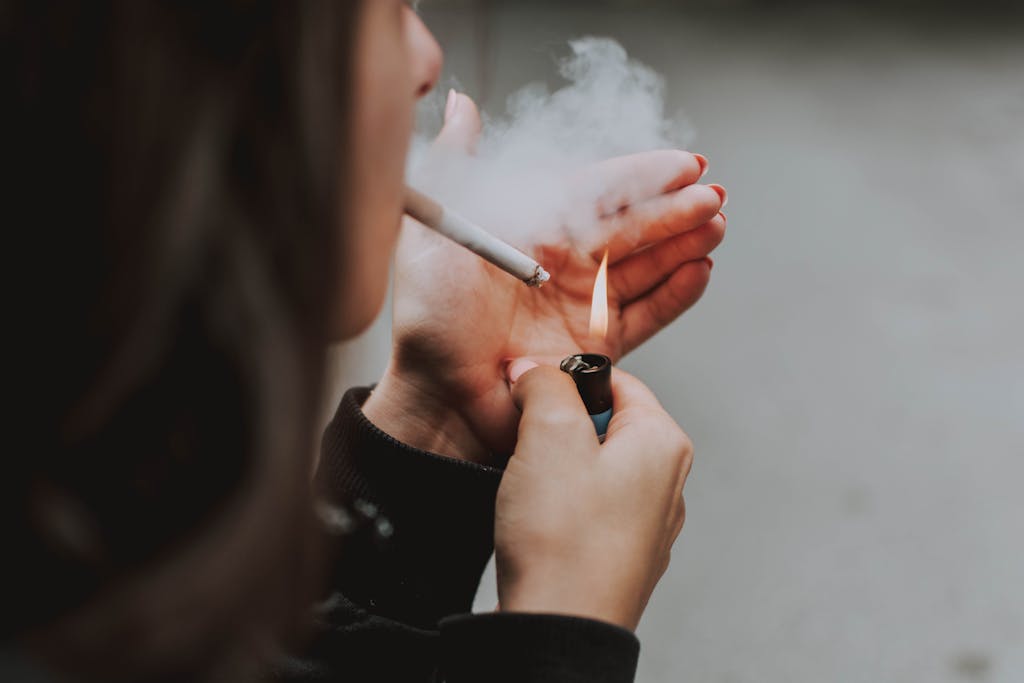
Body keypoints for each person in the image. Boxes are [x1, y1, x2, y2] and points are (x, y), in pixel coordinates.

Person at [4, 1, 726, 681]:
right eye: (379, 9)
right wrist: (562, 634)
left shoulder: (89, 497)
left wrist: (431, 434)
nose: (428, 56)